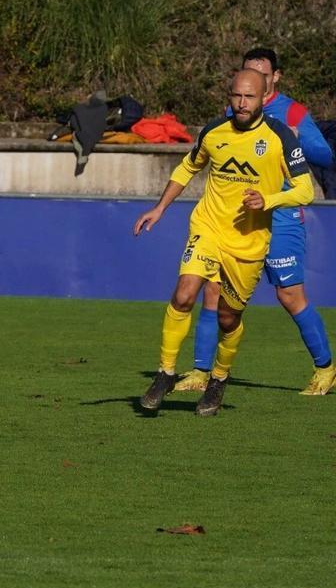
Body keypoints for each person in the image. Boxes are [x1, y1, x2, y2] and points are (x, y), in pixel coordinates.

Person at [133, 69, 315, 416]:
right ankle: (165, 372)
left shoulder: (279, 136)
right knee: (185, 293)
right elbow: (188, 167)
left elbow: (306, 189)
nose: (242, 103)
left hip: (248, 242)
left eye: (249, 97)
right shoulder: (215, 132)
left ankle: (217, 379)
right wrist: (159, 208)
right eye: (236, 96)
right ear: (229, 96)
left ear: (264, 98)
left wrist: (269, 200)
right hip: (209, 228)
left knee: (228, 319)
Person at [174, 48, 336, 396]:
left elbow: (325, 155)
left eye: (260, 75)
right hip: (238, 220)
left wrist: (299, 136)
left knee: (290, 295)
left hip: (280, 217)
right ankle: (201, 371)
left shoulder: (292, 112)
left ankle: (325, 369)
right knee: (213, 292)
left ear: (273, 79)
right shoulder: (237, 111)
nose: (251, 84)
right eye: (246, 73)